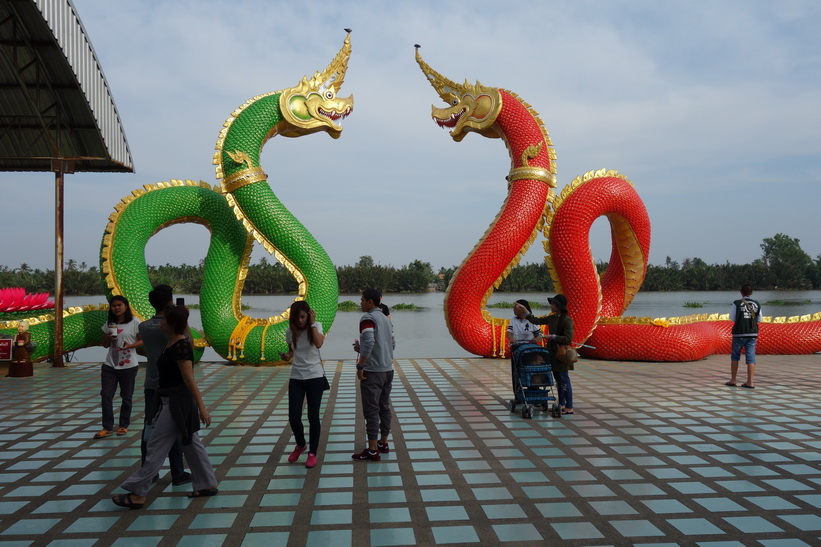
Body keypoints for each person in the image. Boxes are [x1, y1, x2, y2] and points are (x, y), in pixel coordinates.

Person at [112, 304, 217, 509]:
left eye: (164, 320)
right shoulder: (173, 341)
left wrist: (202, 408)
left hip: (178, 403)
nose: (160, 322)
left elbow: (189, 380)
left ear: (171, 324)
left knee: (155, 445)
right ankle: (207, 484)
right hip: (171, 400)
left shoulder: (181, 347)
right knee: (191, 443)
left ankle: (138, 492)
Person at [136, 285, 191, 485]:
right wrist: (183, 321)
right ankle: (177, 472)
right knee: (173, 427)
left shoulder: (143, 327)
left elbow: (143, 351)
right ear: (170, 302)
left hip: (151, 383)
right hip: (173, 385)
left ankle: (149, 471)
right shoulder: (173, 327)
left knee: (149, 427)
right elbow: (189, 346)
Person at [281, 300, 327, 469]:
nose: (300, 320)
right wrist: (287, 356)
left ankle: (312, 452)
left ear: (308, 315)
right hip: (297, 378)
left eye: (303, 316)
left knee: (312, 416)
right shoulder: (289, 332)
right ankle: (301, 445)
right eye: (297, 317)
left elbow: (318, 343)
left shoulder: (316, 327)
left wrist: (313, 323)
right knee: (293, 417)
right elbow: (292, 351)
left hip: (315, 376)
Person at [352, 288, 395, 462]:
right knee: (384, 408)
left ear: (370, 302)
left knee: (371, 411)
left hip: (373, 372)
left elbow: (369, 342)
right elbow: (392, 343)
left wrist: (361, 364)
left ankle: (372, 449)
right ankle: (383, 443)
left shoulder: (367, 318)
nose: (360, 302)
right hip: (387, 370)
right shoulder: (386, 319)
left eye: (362, 300)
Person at [518, 294, 575, 415]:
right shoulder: (552, 318)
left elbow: (568, 338)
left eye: (553, 304)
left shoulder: (566, 320)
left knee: (564, 379)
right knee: (558, 380)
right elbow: (537, 321)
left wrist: (553, 336)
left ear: (559, 306)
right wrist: (526, 312)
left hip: (563, 354)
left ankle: (569, 406)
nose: (551, 306)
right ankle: (561, 404)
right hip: (553, 353)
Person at [95, 295, 141, 439]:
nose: (116, 308)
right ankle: (107, 427)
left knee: (126, 397)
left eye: (119, 305)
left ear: (126, 306)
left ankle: (123, 425)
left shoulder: (134, 322)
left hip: (128, 365)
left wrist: (130, 345)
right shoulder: (109, 323)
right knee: (106, 395)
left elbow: (143, 341)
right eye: (114, 306)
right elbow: (104, 345)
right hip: (110, 365)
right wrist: (108, 338)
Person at [726, 283, 762, 389]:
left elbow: (732, 318)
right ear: (751, 293)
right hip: (752, 333)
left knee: (735, 357)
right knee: (751, 358)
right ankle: (750, 382)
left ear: (741, 292)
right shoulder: (757, 304)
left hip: (739, 333)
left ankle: (733, 380)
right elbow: (759, 319)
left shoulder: (736, 303)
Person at [506, 299, 542, 391]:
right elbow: (509, 332)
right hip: (518, 348)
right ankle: (518, 393)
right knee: (517, 372)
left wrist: (535, 339)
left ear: (522, 309)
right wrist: (512, 340)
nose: (513, 310)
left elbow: (539, 335)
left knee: (532, 371)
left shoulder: (532, 319)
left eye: (515, 308)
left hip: (530, 349)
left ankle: (534, 390)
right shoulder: (514, 319)